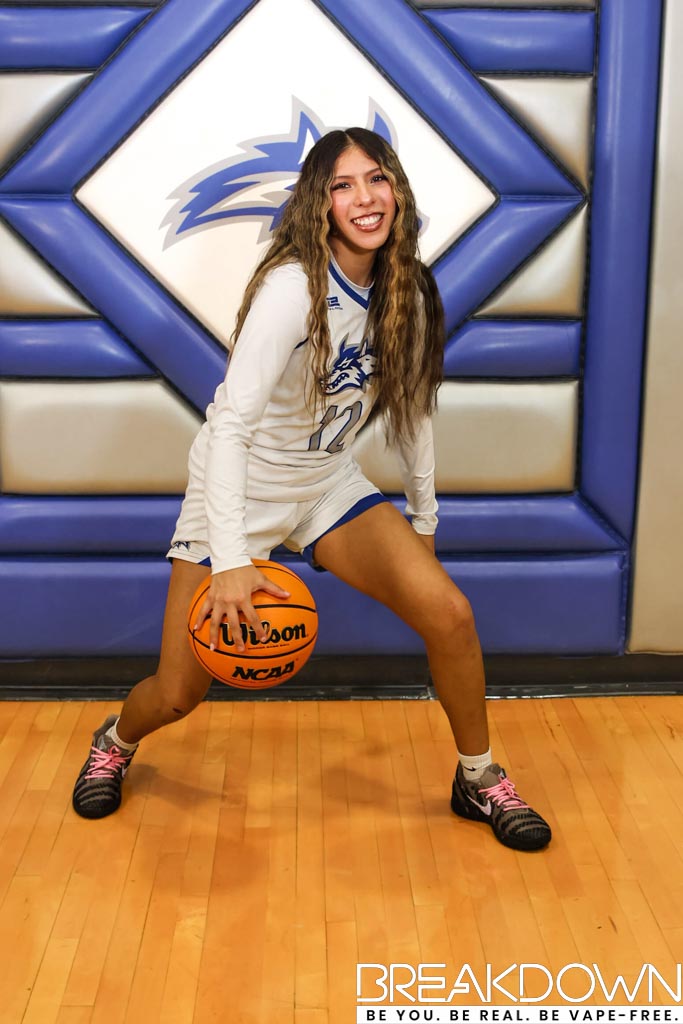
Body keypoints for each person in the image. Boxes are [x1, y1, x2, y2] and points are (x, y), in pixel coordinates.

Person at [72, 127, 551, 852]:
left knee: (450, 614)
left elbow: (413, 409)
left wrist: (423, 520)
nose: (364, 198)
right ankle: (115, 741)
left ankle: (478, 777)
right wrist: (231, 560)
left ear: (396, 190)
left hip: (326, 485)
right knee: (177, 692)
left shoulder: (408, 289)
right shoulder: (292, 289)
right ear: (319, 204)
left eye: (376, 179)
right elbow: (230, 428)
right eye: (342, 185)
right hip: (238, 492)